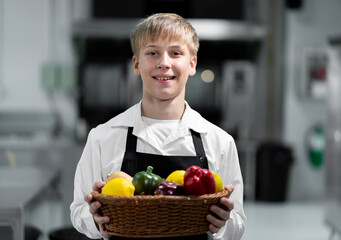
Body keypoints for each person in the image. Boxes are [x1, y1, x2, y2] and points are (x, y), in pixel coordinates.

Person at [70, 13, 246, 240]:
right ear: (136, 64)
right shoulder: (103, 137)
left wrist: (222, 224)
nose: (164, 63)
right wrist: (93, 219)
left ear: (192, 64)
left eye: (175, 53)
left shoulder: (219, 141)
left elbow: (238, 223)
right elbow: (77, 211)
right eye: (152, 53)